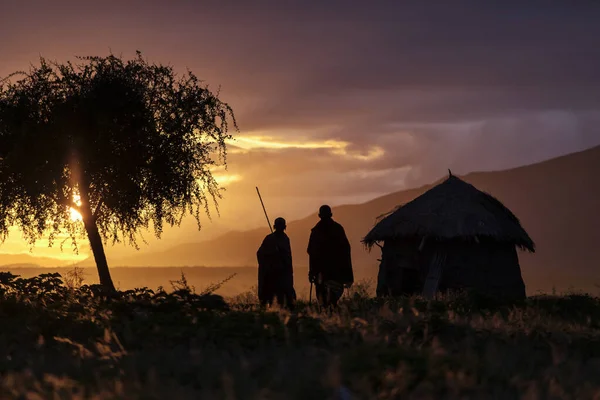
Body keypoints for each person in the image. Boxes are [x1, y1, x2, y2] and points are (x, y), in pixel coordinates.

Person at [307, 205, 354, 307]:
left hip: (323, 272)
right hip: (335, 272)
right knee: (331, 299)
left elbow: (311, 252)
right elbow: (346, 250)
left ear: (319, 216)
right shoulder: (337, 229)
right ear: (330, 214)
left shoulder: (316, 231)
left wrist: (311, 272)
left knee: (324, 299)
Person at [257, 217, 296, 310]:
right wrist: (272, 254)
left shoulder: (285, 239)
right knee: (269, 298)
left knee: (283, 298)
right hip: (270, 274)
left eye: (281, 226)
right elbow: (260, 254)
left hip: (282, 274)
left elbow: (287, 257)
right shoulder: (269, 239)